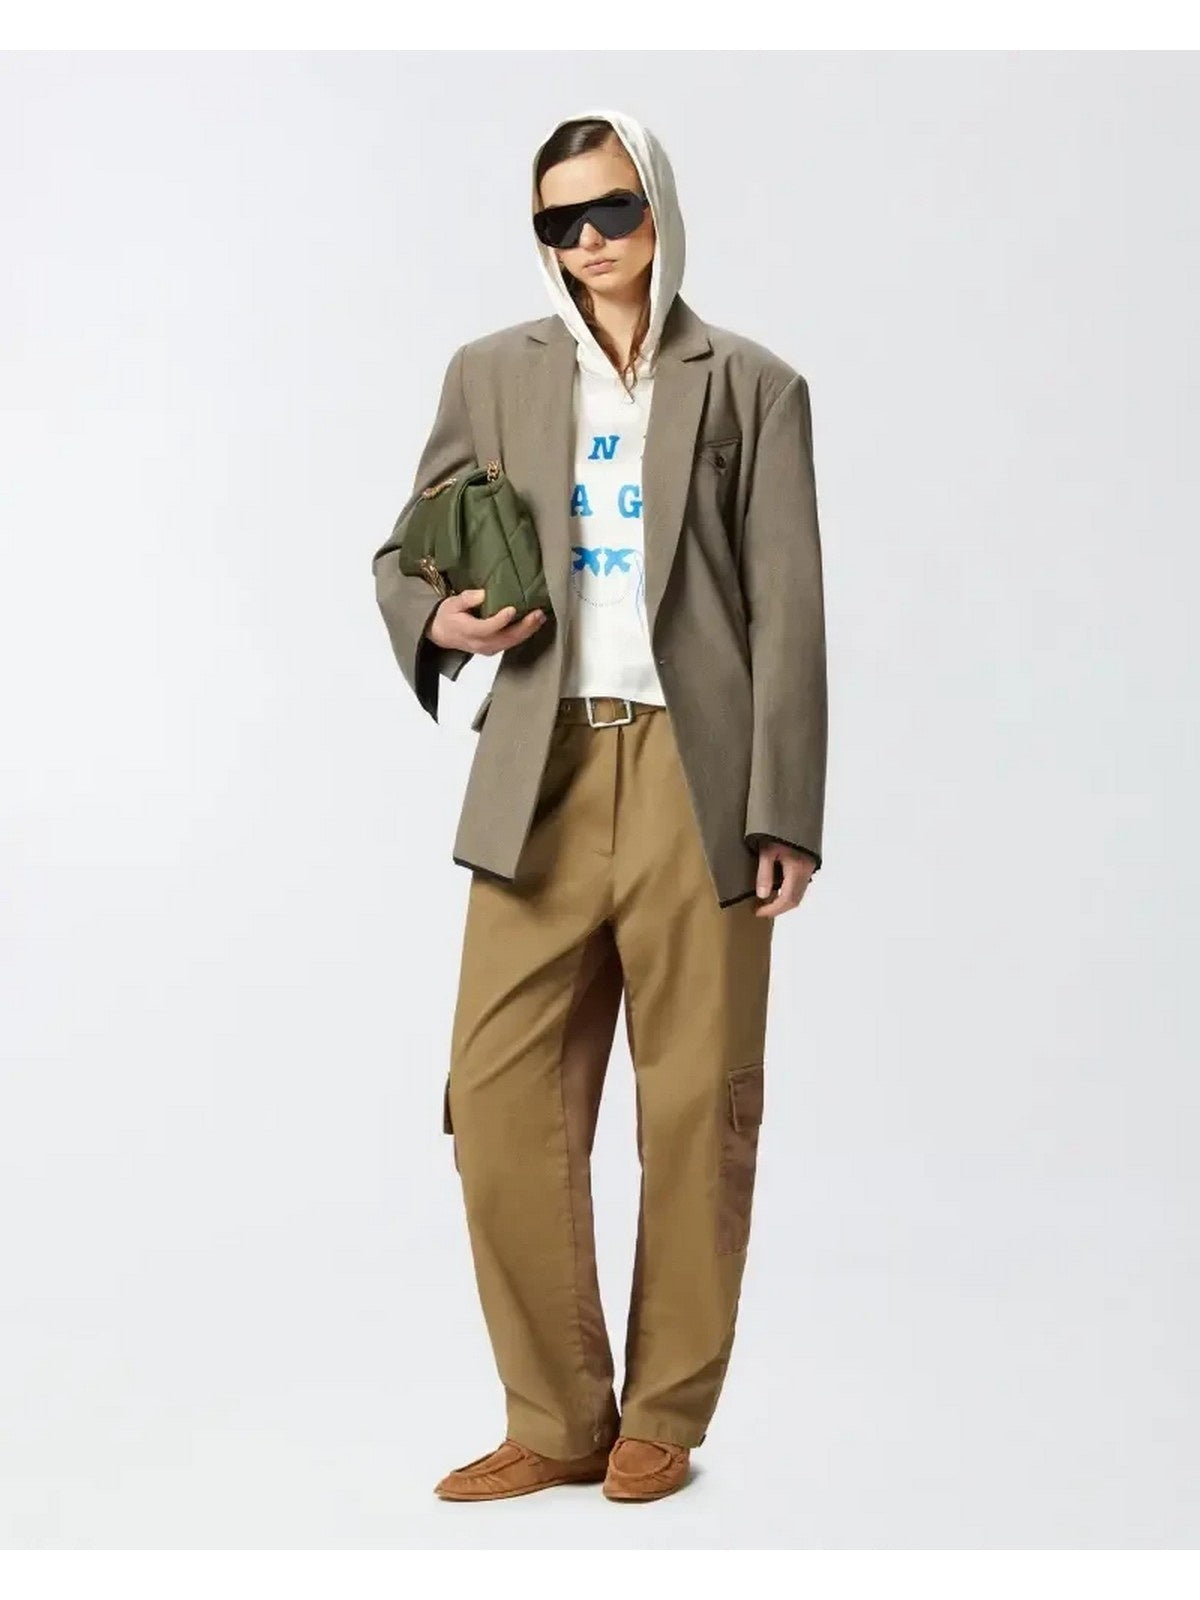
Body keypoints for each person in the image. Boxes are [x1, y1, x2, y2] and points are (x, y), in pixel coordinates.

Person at [371, 106, 827, 1503]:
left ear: (657, 205)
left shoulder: (752, 384)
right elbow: (404, 552)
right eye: (558, 222)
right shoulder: (490, 371)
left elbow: (789, 608)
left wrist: (785, 809)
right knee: (495, 1092)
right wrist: (439, 618)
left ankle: (665, 1414)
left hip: (700, 778)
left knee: (696, 1102)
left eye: (610, 209)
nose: (588, 241)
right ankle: (557, 1414)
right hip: (542, 771)